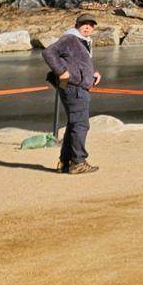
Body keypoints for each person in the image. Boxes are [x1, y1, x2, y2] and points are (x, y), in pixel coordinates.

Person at [41, 13, 102, 174]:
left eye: (91, 24)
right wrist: (62, 72)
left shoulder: (84, 41)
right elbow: (48, 52)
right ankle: (78, 162)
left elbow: (78, 63)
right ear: (77, 24)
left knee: (74, 123)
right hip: (73, 87)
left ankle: (65, 162)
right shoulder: (70, 39)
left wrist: (93, 73)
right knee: (81, 124)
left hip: (78, 86)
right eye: (84, 24)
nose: (88, 27)